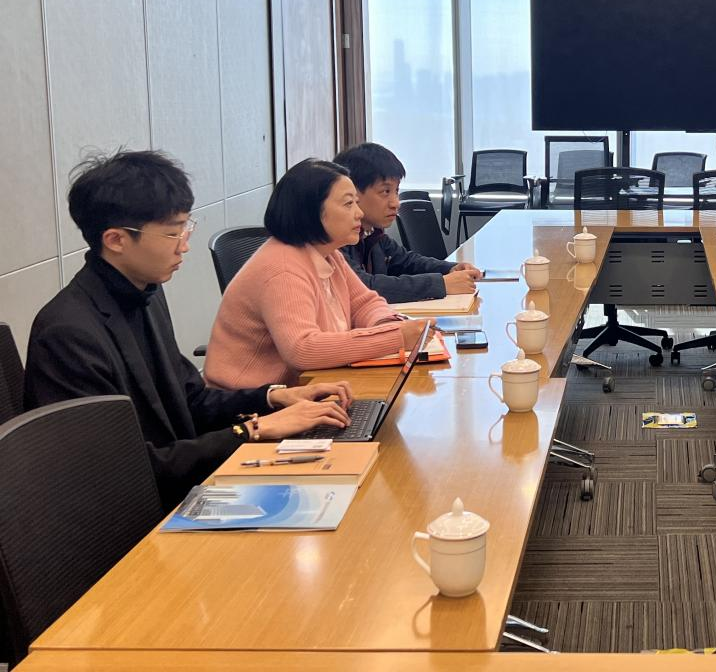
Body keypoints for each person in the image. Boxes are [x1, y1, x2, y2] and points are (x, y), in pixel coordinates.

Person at [24, 151, 354, 508]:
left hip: (183, 485)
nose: (184, 244)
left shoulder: (145, 293)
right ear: (116, 240)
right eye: (172, 232)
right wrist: (254, 430)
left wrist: (273, 399)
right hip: (136, 516)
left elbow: (190, 398)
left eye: (185, 227)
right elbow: (121, 470)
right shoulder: (67, 334)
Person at [204, 159, 429, 389]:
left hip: (309, 387)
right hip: (254, 401)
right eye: (348, 204)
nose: (359, 213)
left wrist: (388, 323)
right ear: (312, 212)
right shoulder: (283, 268)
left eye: (356, 203)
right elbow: (302, 349)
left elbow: (364, 303)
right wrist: (395, 337)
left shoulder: (327, 253)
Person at [333, 142, 480, 303]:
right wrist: (441, 284)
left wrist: (450, 269)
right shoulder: (337, 239)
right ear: (353, 193)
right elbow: (364, 286)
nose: (395, 203)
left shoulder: (373, 234)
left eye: (396, 191)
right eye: (385, 191)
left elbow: (407, 262)